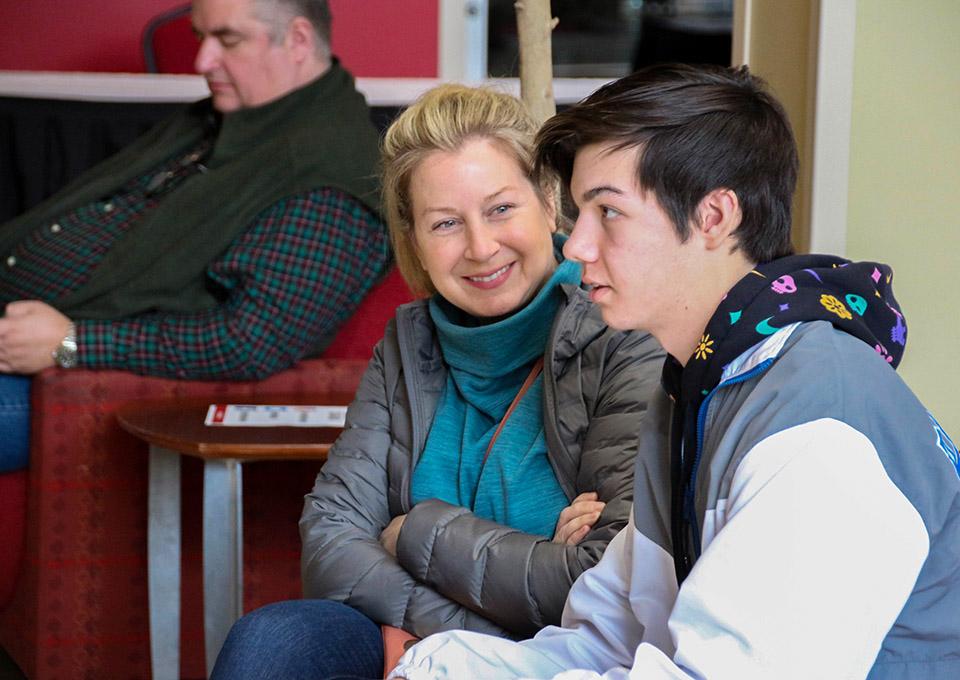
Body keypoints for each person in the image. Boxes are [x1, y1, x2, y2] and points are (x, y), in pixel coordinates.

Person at [390, 64, 960, 679]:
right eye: (578, 212)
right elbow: (608, 639)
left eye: (607, 212)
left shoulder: (817, 426)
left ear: (715, 216)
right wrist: (436, 665)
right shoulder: (701, 386)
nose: (575, 245)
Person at [209, 84, 665, 679]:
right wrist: (475, 640)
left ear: (549, 202)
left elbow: (601, 576)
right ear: (416, 243)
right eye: (446, 223)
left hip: (570, 660)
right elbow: (330, 545)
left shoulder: (621, 330)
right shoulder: (410, 340)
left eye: (501, 209)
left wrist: (410, 533)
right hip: (418, 650)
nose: (480, 247)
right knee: (273, 642)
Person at [0, 0, 391, 473]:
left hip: (62, 384)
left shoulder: (331, 172)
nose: (202, 62)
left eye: (227, 40)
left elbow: (252, 340)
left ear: (299, 40)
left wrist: (72, 342)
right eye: (200, 38)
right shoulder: (227, 119)